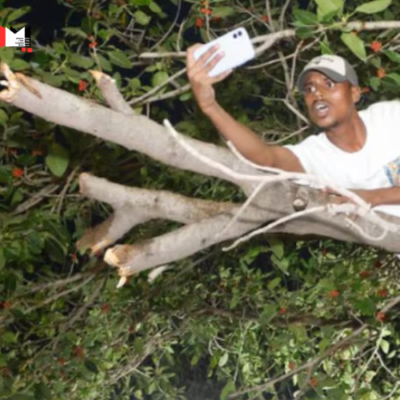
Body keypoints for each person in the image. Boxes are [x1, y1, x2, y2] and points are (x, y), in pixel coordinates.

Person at [186, 44, 400, 218]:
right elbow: (265, 157)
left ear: (354, 93)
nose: (318, 94)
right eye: (309, 89)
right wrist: (210, 107)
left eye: (329, 83)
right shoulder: (314, 156)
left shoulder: (390, 117)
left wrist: (369, 197)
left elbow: (369, 198)